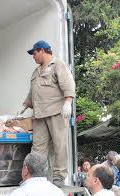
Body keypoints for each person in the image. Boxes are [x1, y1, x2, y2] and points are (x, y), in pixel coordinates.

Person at [18, 40, 76, 187]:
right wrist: (24, 106)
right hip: (39, 115)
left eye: (34, 53)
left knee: (60, 145)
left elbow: (68, 84)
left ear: (43, 50)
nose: (33, 57)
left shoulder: (58, 65)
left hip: (56, 112)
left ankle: (59, 178)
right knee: (38, 148)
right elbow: (32, 92)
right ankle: (34, 177)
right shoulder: (36, 72)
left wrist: (68, 102)